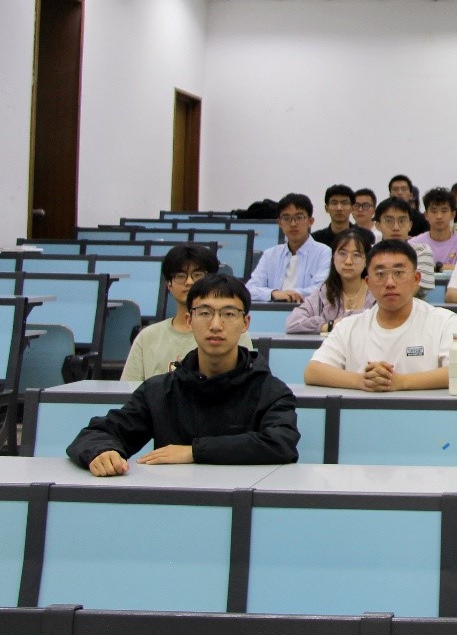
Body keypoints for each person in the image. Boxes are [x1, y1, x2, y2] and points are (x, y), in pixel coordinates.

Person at [68, 274, 299, 475]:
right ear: (189, 321)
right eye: (204, 313)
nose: (216, 325)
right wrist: (102, 452)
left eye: (229, 314)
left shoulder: (270, 390)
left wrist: (194, 452)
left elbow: (281, 443)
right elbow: (98, 433)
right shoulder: (160, 391)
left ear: (245, 323)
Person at [304, 240, 457, 391]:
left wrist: (401, 382)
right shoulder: (348, 326)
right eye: (380, 274)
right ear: (368, 283)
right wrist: (362, 381)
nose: (390, 283)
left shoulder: (443, 321)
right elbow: (313, 371)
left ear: (416, 279)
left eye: (399, 273)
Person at [122, 244, 253, 381]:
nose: (189, 282)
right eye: (180, 276)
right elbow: (129, 389)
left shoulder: (233, 334)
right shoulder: (147, 337)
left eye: (197, 275)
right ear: (169, 285)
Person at [245, 192, 332, 303]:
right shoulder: (270, 254)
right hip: (273, 310)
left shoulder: (324, 252)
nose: (293, 224)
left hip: (308, 311)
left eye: (299, 217)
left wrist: (291, 294)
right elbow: (250, 289)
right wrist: (274, 293)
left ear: (310, 221)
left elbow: (322, 289)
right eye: (286, 218)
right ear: (279, 222)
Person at [285, 229, 375, 334]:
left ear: (367, 261)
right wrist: (329, 326)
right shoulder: (324, 292)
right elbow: (292, 324)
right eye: (342, 253)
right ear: (333, 258)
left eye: (356, 255)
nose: (348, 261)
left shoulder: (376, 292)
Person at [374, 197, 436, 295]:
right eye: (389, 221)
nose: (396, 227)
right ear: (378, 225)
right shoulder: (370, 253)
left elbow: (414, 288)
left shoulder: (421, 251)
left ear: (410, 225)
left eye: (402, 221)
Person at [412, 186, 457, 271]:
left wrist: (435, 267)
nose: (439, 216)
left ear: (453, 215)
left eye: (444, 211)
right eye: (434, 211)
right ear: (426, 215)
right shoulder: (415, 243)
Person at [311, 184, 374, 250]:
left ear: (352, 208)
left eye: (344, 203)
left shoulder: (365, 236)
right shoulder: (315, 239)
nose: (339, 208)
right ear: (326, 208)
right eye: (334, 203)